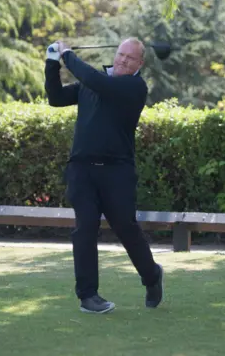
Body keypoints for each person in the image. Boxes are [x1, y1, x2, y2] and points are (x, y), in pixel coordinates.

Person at [44, 37, 164, 313]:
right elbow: (56, 98)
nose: (123, 60)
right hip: (82, 169)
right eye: (121, 54)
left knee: (126, 228)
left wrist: (68, 55)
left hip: (117, 171)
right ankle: (88, 296)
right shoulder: (94, 80)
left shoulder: (134, 86)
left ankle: (152, 275)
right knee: (84, 228)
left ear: (139, 64)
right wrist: (52, 64)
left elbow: (99, 83)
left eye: (130, 58)